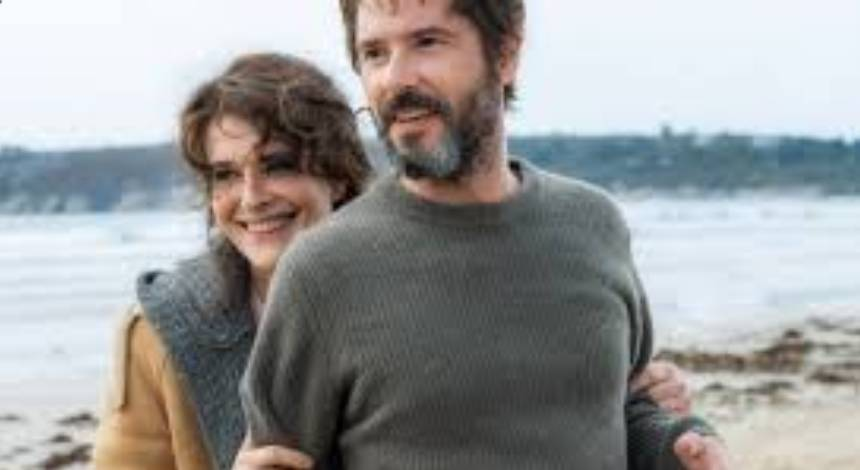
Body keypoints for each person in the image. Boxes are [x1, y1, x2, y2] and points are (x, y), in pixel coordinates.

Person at [240, 1, 729, 469]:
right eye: (375, 53)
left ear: (506, 52)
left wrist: (681, 447)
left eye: (427, 42)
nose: (395, 78)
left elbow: (627, 412)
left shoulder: (595, 225)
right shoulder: (323, 270)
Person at [92, 52, 372, 470]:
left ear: (337, 176)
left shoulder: (407, 302)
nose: (252, 197)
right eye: (225, 174)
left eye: (277, 166)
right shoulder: (161, 331)